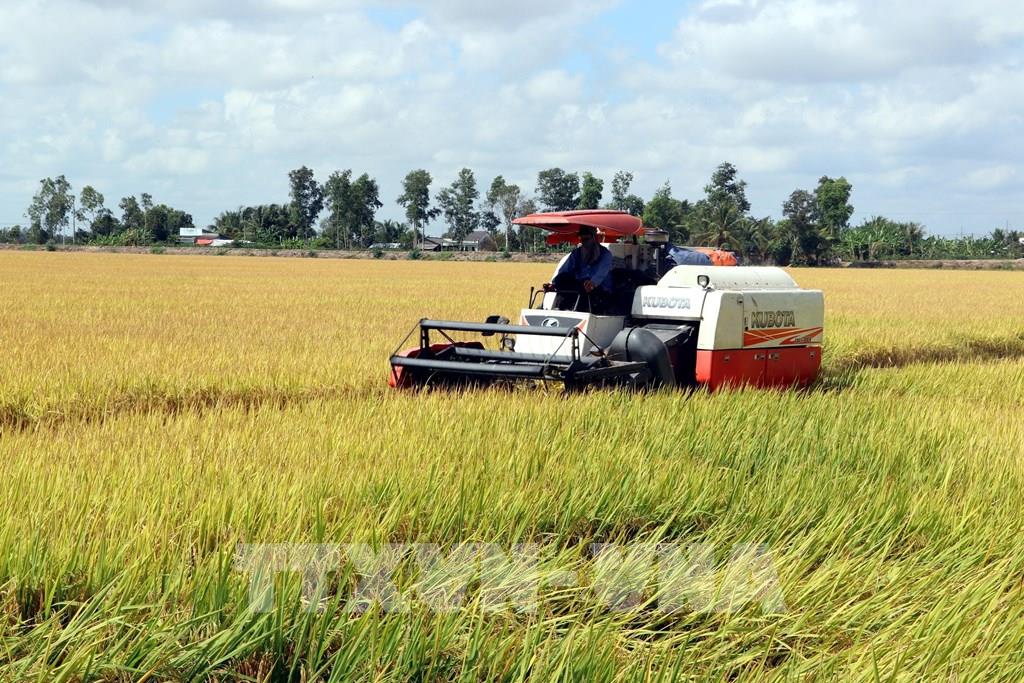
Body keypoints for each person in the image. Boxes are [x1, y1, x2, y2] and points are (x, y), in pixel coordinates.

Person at [544, 225, 614, 313]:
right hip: (580, 287)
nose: (584, 242)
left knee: (585, 287)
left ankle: (578, 309)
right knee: (561, 278)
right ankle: (563, 308)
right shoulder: (576, 253)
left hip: (600, 290)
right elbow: (565, 269)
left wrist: (593, 283)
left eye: (586, 239)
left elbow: (601, 272)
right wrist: (553, 284)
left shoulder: (605, 254)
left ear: (594, 238)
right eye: (582, 239)